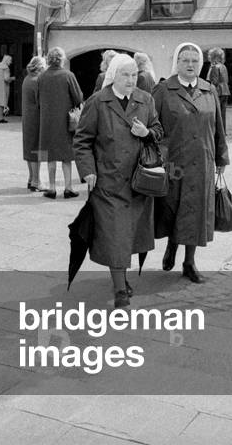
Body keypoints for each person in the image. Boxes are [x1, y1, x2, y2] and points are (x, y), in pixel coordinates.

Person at [74, 53, 163, 308]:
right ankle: (120, 289)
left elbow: (159, 130)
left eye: (134, 74)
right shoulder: (98, 102)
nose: (131, 79)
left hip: (138, 181)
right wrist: (88, 171)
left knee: (128, 235)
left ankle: (121, 278)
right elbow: (82, 140)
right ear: (113, 75)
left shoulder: (145, 100)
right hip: (108, 182)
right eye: (125, 74)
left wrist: (146, 132)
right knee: (115, 235)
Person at [153, 42, 229, 282]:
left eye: (195, 61)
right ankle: (172, 247)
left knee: (196, 213)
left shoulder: (209, 90)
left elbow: (218, 126)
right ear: (177, 63)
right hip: (174, 163)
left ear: (201, 64)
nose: (190, 65)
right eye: (185, 60)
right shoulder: (164, 91)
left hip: (202, 162)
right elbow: (152, 126)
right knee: (174, 208)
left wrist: (221, 156)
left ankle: (189, 262)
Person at [38, 46, 83, 199]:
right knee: (66, 156)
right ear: (62, 59)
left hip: (47, 121)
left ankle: (51, 188)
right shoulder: (68, 75)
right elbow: (78, 97)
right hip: (65, 121)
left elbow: (37, 99)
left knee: (50, 156)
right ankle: (68, 187)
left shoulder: (42, 76)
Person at [22, 55, 46, 191]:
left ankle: (31, 178)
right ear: (40, 67)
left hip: (28, 118)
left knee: (30, 149)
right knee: (38, 150)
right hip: (37, 118)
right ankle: (37, 181)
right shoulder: (38, 81)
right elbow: (42, 102)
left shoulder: (27, 79)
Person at [207, 47, 231, 133]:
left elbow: (214, 82)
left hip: (218, 92)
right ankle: (223, 132)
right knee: (222, 114)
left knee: (216, 114)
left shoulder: (214, 67)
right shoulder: (223, 66)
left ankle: (217, 132)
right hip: (225, 92)